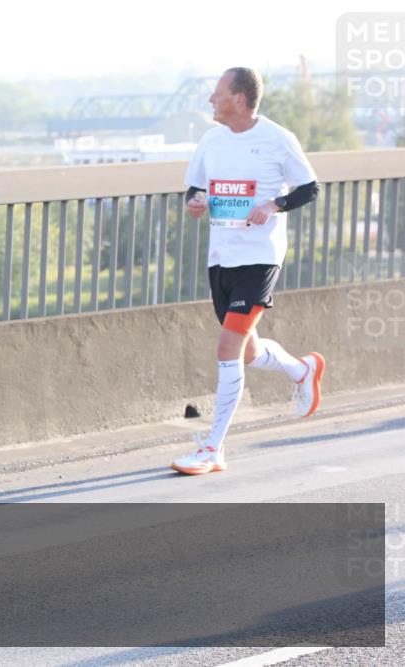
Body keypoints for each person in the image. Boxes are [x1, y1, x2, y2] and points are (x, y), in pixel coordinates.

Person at [171, 67, 324, 476]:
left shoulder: (277, 138)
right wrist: (195, 203)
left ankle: (213, 447)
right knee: (248, 351)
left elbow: (310, 188)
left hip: (260, 257)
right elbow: (195, 188)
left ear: (239, 99)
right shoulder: (211, 140)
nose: (210, 100)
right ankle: (302, 369)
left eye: (217, 93)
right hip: (221, 257)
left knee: (227, 347)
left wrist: (274, 205)